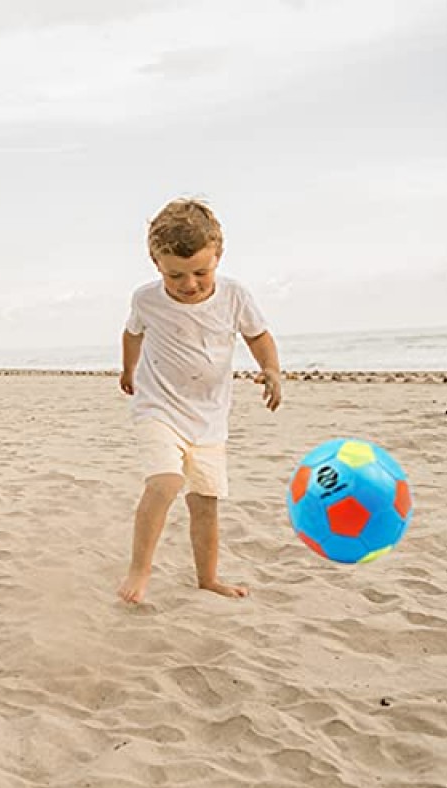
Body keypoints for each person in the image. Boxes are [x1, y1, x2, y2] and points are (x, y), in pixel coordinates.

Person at [118, 197, 282, 603]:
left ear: (218, 257)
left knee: (206, 502)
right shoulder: (146, 299)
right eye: (176, 275)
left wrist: (272, 370)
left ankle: (207, 578)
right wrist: (127, 370)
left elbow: (258, 336)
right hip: (158, 407)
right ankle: (139, 571)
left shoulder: (234, 296)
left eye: (200, 272)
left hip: (209, 418)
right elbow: (132, 334)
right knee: (166, 482)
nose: (189, 284)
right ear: (157, 264)